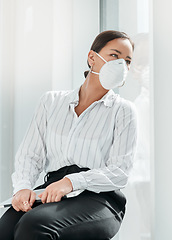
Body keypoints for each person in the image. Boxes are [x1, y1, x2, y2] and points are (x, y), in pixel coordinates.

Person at [0, 30, 138, 240]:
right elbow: (30, 155)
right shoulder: (51, 102)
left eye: (127, 61)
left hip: (99, 198)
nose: (121, 65)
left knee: (35, 226)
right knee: (5, 227)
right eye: (114, 55)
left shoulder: (123, 111)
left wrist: (71, 182)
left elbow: (120, 172)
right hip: (51, 191)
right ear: (92, 57)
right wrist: (23, 188)